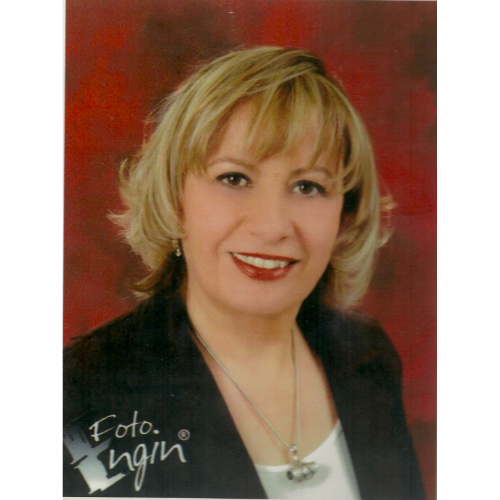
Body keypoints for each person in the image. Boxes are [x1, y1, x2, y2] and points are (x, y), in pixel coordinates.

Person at [63, 47, 425, 499]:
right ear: (175, 199)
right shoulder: (79, 390)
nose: (272, 227)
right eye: (234, 179)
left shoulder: (367, 356)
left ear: (343, 217)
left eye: (308, 186)